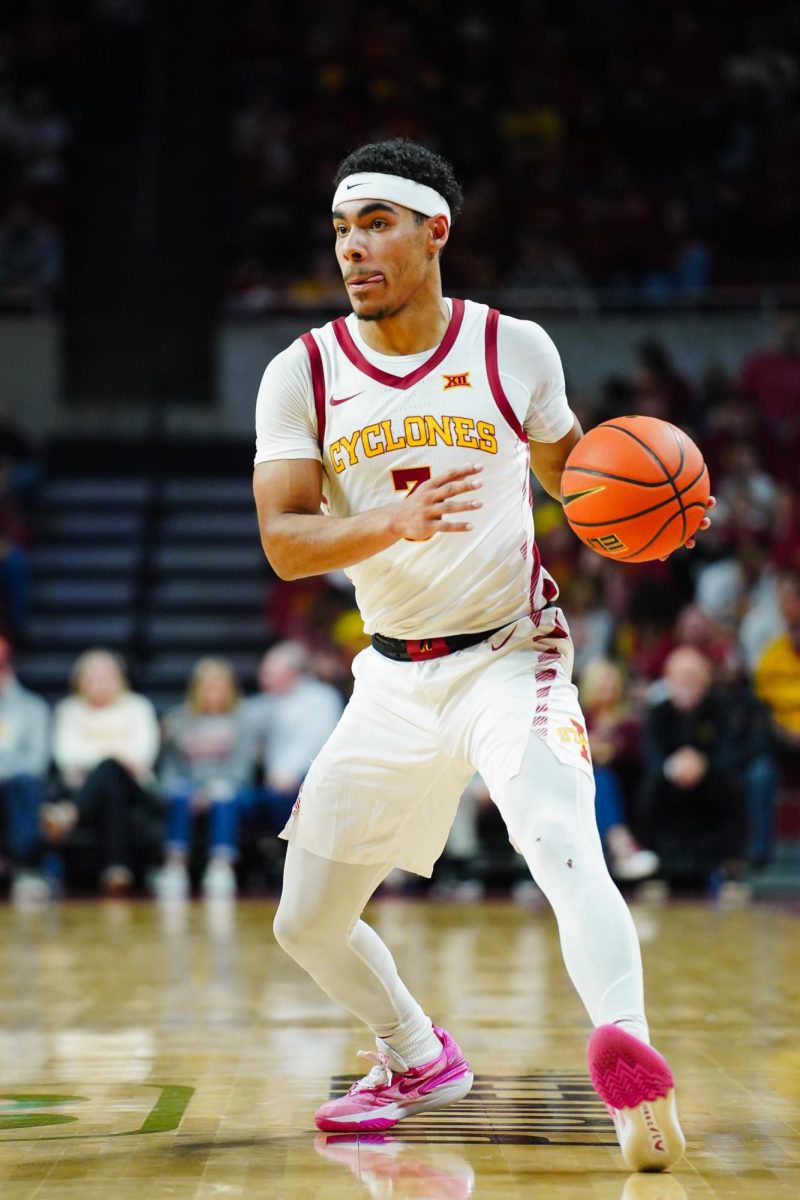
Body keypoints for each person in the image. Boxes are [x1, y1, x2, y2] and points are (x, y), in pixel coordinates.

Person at [252, 139, 707, 1172]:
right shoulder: (304, 373)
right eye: (340, 229)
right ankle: (414, 1053)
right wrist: (390, 524)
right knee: (306, 923)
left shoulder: (514, 350)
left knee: (557, 835)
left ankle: (628, 1053)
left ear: (432, 231)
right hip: (393, 676)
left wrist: (653, 515)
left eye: (375, 224)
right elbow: (285, 542)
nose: (352, 249)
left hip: (513, 654)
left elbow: (577, 487)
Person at [46, 648, 162, 896]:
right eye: (93, 678)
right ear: (80, 682)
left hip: (136, 787)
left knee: (111, 770)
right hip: (85, 786)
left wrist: (102, 758)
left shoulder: (137, 707)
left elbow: (142, 755)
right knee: (110, 780)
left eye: (106, 677)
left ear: (120, 679)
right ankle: (116, 869)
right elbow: (66, 756)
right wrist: (115, 754)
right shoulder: (69, 710)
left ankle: (69, 814)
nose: (100, 684)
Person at [641, 647, 749, 897]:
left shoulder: (720, 710)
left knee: (733, 785)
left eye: (693, 677)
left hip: (710, 780)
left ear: (705, 681)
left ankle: (729, 867)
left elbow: (731, 751)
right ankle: (656, 866)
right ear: (668, 681)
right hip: (671, 782)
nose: (687, 684)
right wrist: (673, 766)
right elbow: (652, 755)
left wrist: (702, 763)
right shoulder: (658, 714)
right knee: (649, 786)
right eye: (681, 678)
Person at [156, 657, 253, 900]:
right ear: (196, 689)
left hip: (228, 785)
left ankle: (222, 865)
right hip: (189, 785)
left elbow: (243, 767)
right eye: (208, 686)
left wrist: (212, 789)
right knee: (179, 794)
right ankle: (175, 865)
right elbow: (170, 767)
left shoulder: (242, 720)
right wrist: (181, 788)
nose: (214, 692)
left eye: (220, 687)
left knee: (223, 796)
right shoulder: (178, 719)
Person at [0, 636, 51, 901]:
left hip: (13, 782)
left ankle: (27, 869)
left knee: (25, 783)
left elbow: (37, 760)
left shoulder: (32, 708)